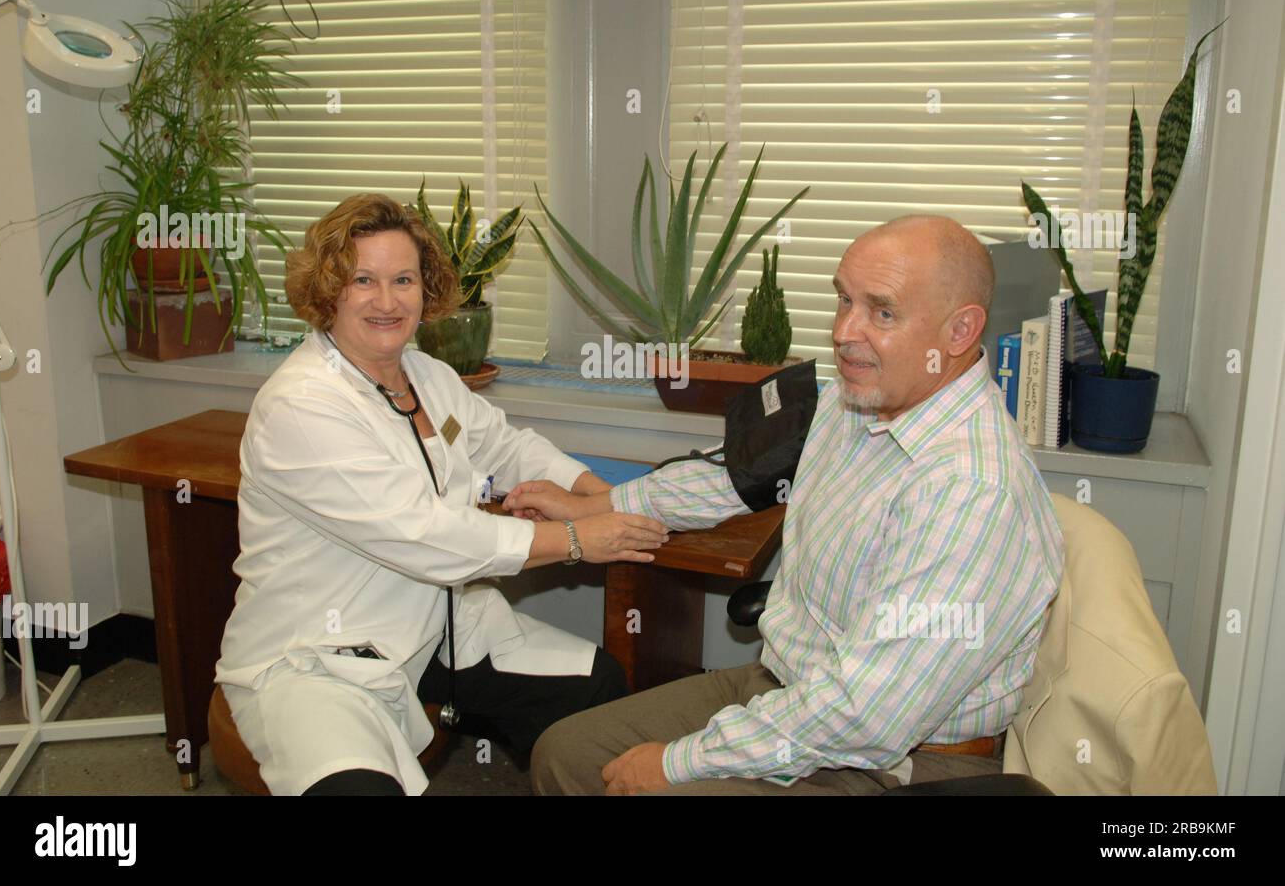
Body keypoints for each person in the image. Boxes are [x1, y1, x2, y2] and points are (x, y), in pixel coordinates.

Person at [513, 215, 1066, 795]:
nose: (845, 332)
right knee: (565, 754)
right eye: (843, 300)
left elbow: (868, 715)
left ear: (959, 332)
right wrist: (599, 504)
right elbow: (738, 477)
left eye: (882, 312)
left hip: (889, 757)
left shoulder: (971, 493)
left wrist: (677, 762)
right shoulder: (859, 401)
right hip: (785, 688)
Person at [215, 193, 668, 796]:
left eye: (403, 279)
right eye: (363, 281)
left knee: (596, 692)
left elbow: (507, 448)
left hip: (436, 626)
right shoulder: (303, 406)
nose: (387, 300)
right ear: (328, 290)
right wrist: (580, 538)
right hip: (320, 658)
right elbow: (425, 534)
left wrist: (598, 493)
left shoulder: (426, 375)